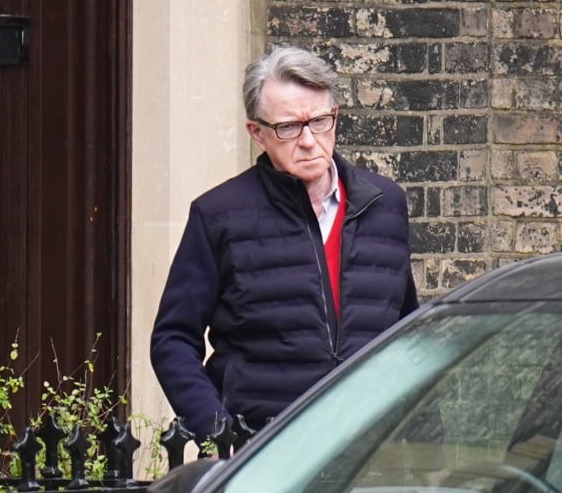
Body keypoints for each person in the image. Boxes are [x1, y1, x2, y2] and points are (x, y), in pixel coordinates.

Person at [150, 45, 419, 444]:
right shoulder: (218, 215)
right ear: (256, 132)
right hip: (264, 450)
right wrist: (217, 432)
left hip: (372, 449)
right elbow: (173, 339)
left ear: (336, 117)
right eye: (288, 127)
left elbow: (407, 331)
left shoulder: (386, 205)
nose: (309, 141)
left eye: (320, 122)